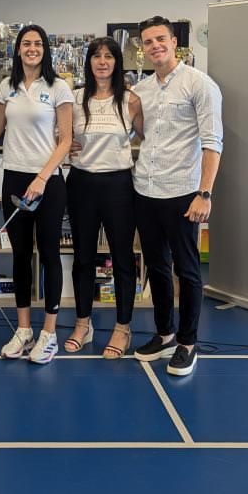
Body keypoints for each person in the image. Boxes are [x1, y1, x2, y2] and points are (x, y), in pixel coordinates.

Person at [132, 16, 223, 376]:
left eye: (160, 39)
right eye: (148, 41)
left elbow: (212, 142)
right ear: (143, 48)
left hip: (183, 193)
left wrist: (205, 193)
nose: (154, 46)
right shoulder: (141, 89)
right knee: (156, 267)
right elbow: (140, 135)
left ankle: (187, 343)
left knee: (187, 269)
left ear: (174, 43)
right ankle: (165, 334)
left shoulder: (199, 84)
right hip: (146, 191)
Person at [0, 24, 73, 364]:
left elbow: (66, 140)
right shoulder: (6, 87)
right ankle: (24, 330)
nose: (32, 48)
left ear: (45, 49)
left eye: (38, 43)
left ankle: (49, 333)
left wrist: (42, 177)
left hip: (47, 182)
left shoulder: (58, 87)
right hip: (13, 177)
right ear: (18, 49)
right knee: (20, 256)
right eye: (26, 43)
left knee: (49, 254)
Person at [65, 37, 142, 358]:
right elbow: (60, 136)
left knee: (122, 259)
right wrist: (64, 144)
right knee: (83, 257)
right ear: (89, 62)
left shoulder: (130, 100)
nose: (102, 61)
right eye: (96, 56)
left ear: (117, 62)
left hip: (118, 185)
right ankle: (83, 324)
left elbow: (149, 137)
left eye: (109, 56)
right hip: (81, 183)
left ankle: (122, 328)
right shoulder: (74, 97)